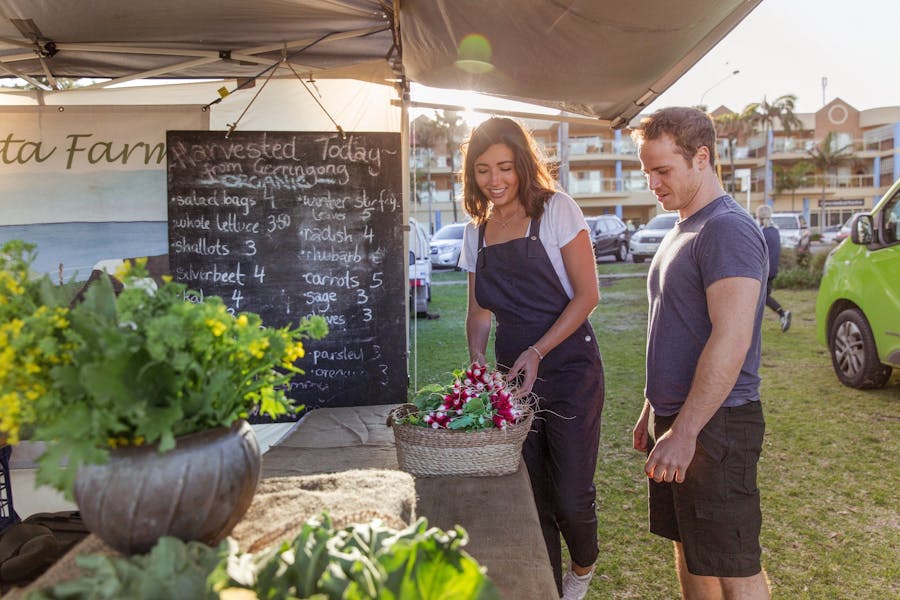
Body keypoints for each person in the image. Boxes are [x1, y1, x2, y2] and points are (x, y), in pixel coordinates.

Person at [457, 117, 605, 600]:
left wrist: (539, 350)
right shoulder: (475, 232)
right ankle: (547, 587)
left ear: (522, 163)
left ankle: (580, 572)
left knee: (571, 497)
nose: (494, 181)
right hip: (511, 377)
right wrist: (479, 362)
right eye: (482, 170)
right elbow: (479, 312)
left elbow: (588, 296)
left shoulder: (556, 209)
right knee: (532, 494)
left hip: (568, 368)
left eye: (503, 167)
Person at [630, 107, 771, 599]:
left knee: (733, 565)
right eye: (647, 171)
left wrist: (686, 430)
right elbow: (676, 324)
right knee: (691, 548)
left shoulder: (727, 229)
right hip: (678, 418)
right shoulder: (682, 226)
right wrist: (654, 408)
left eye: (662, 170)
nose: (653, 182)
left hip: (718, 425)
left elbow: (730, 340)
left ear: (702, 158)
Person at [755, 204, 791, 332]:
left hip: (764, 270)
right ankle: (781, 314)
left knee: (761, 297)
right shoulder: (775, 231)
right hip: (773, 269)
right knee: (762, 297)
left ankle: (783, 313)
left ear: (759, 217)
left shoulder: (761, 232)